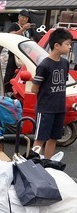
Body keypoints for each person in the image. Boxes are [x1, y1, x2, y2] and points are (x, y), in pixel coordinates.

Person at [31, 27, 71, 159]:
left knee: (54, 138)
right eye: (67, 44)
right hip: (46, 108)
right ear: (57, 45)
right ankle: (32, 165)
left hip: (59, 107)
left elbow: (63, 83)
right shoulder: (44, 65)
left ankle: (48, 164)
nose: (70, 47)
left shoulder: (65, 63)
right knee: (40, 139)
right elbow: (34, 89)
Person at [4, 9, 36, 93]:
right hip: (14, 52)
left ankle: (18, 89)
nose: (24, 19)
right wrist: (22, 29)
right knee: (10, 72)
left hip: (25, 53)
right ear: (19, 17)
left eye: (26, 18)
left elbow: (31, 38)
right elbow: (11, 35)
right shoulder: (14, 25)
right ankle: (6, 90)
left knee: (22, 72)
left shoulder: (29, 28)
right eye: (23, 17)